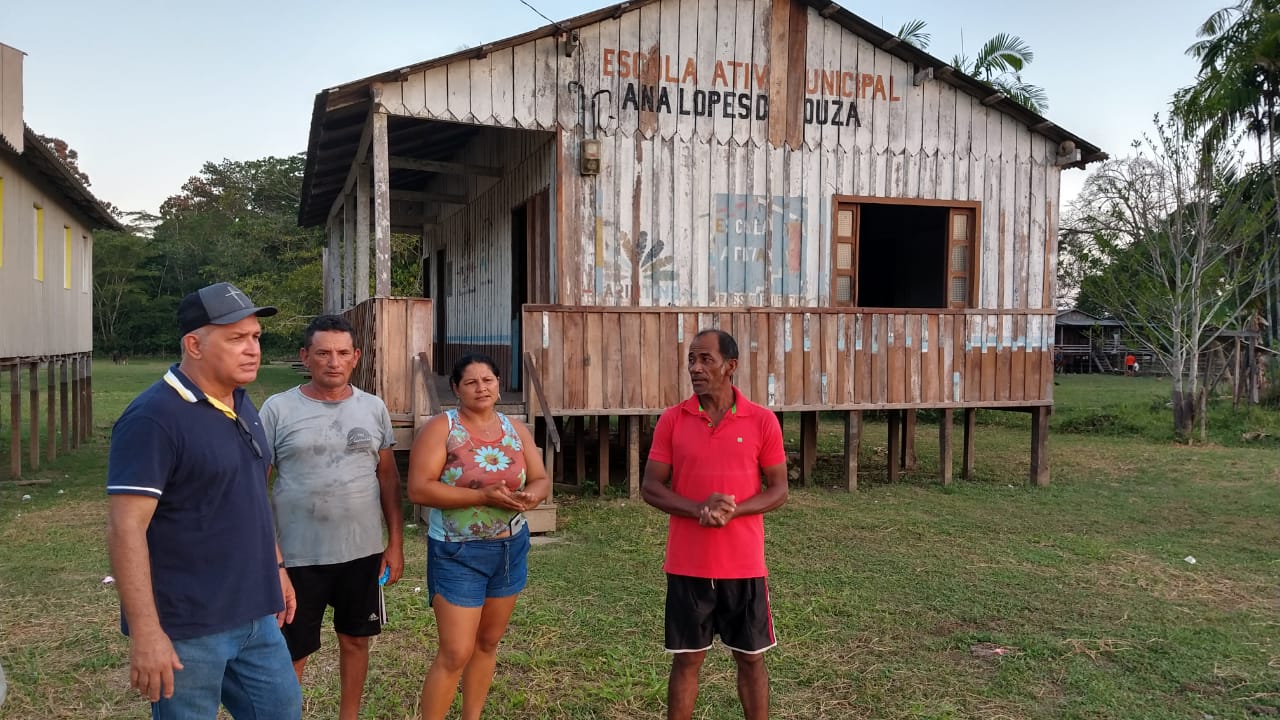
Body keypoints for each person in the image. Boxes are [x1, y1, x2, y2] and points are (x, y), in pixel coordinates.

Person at [106, 281, 302, 719]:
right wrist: (146, 632)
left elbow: (249, 495)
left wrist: (276, 567)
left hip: (256, 613)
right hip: (188, 627)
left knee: (283, 710)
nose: (252, 349)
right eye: (236, 339)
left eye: (255, 337)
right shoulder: (153, 419)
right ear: (194, 345)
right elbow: (125, 528)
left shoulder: (241, 403)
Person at [259, 314, 404, 720]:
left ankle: (349, 715)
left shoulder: (373, 408)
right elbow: (255, 486)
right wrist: (271, 558)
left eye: (342, 353)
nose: (333, 361)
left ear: (356, 357)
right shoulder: (277, 409)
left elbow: (388, 479)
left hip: (361, 552)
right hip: (297, 557)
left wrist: (394, 544)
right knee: (292, 651)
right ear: (306, 356)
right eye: (322, 352)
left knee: (356, 640)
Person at [641, 329, 789, 720]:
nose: (695, 368)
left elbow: (778, 490)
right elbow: (651, 487)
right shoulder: (673, 420)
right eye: (691, 359)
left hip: (743, 564)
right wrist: (698, 510)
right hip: (688, 564)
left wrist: (733, 510)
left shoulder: (762, 421)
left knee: (751, 659)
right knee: (687, 661)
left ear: (731, 366)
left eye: (706, 359)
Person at [406, 353, 550, 720]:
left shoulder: (517, 429)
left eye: (487, 380)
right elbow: (419, 489)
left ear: (498, 384)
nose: (481, 388)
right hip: (458, 552)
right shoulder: (442, 428)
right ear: (456, 389)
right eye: (470, 382)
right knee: (455, 652)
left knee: (487, 644)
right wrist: (481, 496)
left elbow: (540, 477)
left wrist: (532, 495)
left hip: (509, 548)